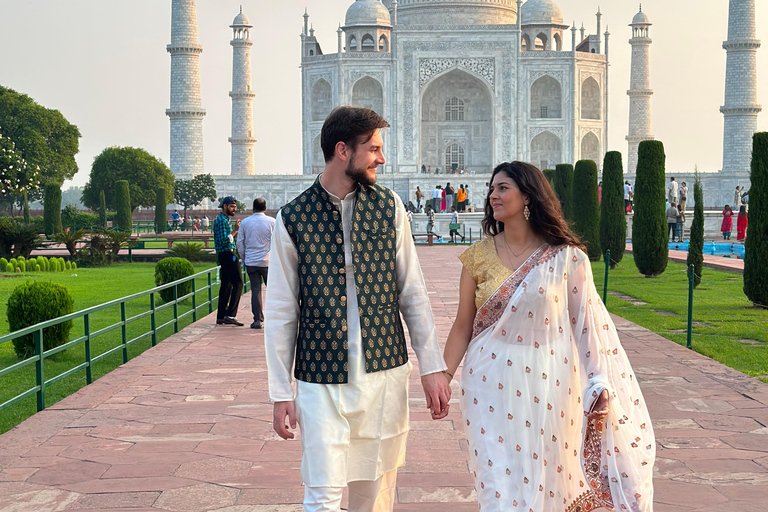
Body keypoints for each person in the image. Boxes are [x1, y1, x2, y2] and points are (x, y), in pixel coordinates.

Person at [441, 161, 655, 512]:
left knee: (550, 480)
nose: (493, 195)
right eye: (491, 189)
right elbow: (463, 325)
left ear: (528, 196)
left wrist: (598, 381)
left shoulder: (568, 258)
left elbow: (585, 327)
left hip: (552, 386)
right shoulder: (477, 257)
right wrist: (443, 377)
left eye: (502, 188)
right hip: (489, 386)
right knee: (499, 483)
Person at [265, 106, 450, 512]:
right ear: (343, 150)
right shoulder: (294, 218)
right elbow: (280, 311)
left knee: (373, 494)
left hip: (384, 372)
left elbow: (412, 292)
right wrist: (281, 391)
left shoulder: (389, 207)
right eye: (375, 149)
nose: (382, 159)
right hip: (320, 376)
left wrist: (432, 366)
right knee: (323, 491)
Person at [237, 198, 275, 329]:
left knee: (255, 290)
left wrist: (244, 258)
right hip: (268, 261)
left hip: (251, 261)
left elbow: (239, 243)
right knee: (273, 291)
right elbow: (277, 242)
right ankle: (274, 319)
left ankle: (258, 320)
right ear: (265, 208)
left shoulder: (245, 222)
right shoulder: (272, 222)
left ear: (253, 208)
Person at [214, 197, 243, 326]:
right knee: (238, 282)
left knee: (226, 285)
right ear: (225, 206)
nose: (234, 209)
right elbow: (224, 240)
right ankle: (230, 314)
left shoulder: (224, 220)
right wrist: (236, 230)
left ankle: (221, 316)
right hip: (227, 254)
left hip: (225, 254)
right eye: (231, 207)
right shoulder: (221, 221)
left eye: (234, 207)